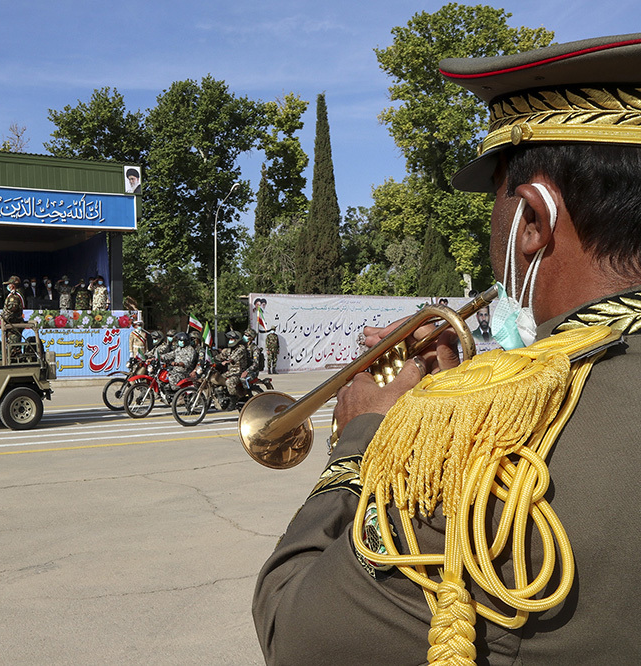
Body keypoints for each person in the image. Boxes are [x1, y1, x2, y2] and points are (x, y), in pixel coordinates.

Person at [253, 33, 641, 665]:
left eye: (495, 200)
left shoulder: (502, 471)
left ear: (533, 220)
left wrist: (362, 441)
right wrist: (467, 390)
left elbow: (296, 629)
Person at [214, 331, 248, 402]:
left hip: (239, 373)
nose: (230, 340)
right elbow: (220, 356)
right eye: (230, 339)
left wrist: (227, 361)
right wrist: (212, 358)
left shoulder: (241, 348)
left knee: (229, 382)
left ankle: (236, 399)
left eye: (232, 339)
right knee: (218, 379)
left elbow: (233, 358)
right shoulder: (229, 349)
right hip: (230, 372)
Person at [0, 275, 25, 351]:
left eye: (9, 284)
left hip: (13, 326)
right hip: (13, 326)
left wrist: (2, 316)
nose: (8, 286)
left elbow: (11, 310)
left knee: (13, 348)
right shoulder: (15, 294)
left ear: (13, 285)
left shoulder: (14, 297)